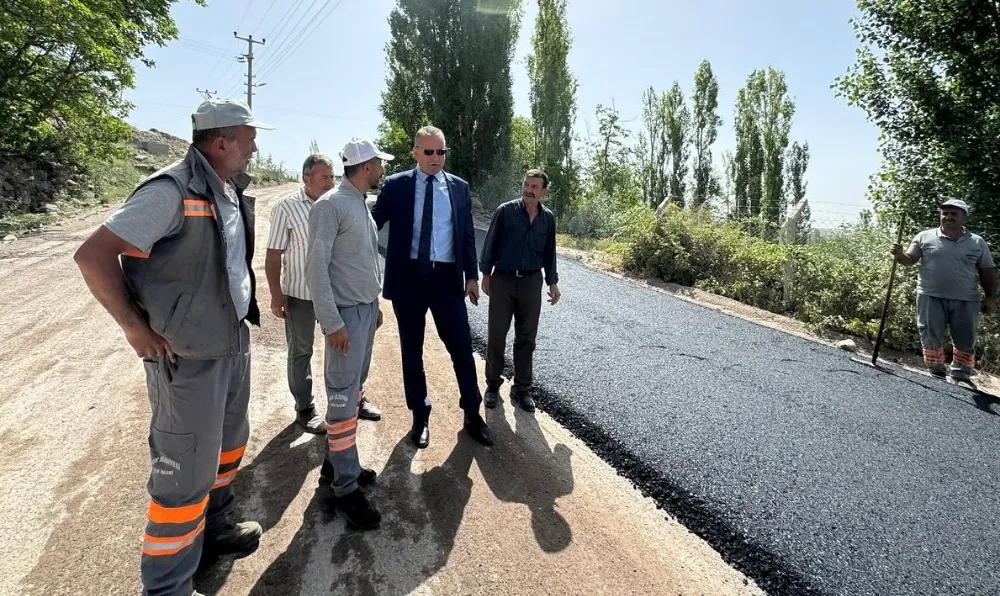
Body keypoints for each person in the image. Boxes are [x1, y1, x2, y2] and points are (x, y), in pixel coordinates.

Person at [73, 99, 271, 596]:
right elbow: (93, 256)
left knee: (227, 447)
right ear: (222, 142)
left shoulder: (224, 187)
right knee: (182, 472)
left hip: (229, 343)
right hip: (186, 357)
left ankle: (213, 533)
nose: (255, 145)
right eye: (249, 137)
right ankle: (167, 588)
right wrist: (135, 328)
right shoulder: (171, 191)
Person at [372, 125, 493, 449]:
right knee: (412, 351)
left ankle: (472, 413)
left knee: (462, 350)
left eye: (441, 152)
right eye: (429, 152)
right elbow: (370, 223)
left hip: (446, 280)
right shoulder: (397, 186)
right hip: (408, 279)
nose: (436, 158)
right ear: (415, 152)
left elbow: (467, 235)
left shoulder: (458, 188)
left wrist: (471, 276)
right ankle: (419, 417)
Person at [305, 138, 392, 530]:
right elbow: (316, 268)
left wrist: (373, 303)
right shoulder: (331, 206)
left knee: (353, 390)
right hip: (343, 319)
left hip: (363, 312)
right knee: (341, 403)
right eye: (379, 163)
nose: (382, 169)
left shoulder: (357, 202)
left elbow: (361, 259)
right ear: (366, 166)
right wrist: (332, 321)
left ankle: (336, 466)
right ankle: (345, 490)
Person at [265, 154, 382, 434]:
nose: (330, 181)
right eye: (324, 177)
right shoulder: (287, 208)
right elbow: (273, 254)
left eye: (332, 176)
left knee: (348, 354)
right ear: (306, 179)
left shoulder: (345, 203)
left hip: (337, 296)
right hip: (301, 295)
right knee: (301, 351)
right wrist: (275, 294)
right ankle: (305, 408)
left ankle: (353, 399)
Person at [480, 169, 561, 412]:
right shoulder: (505, 211)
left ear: (543, 191)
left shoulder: (548, 219)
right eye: (527, 184)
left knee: (526, 338)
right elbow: (490, 243)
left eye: (535, 186)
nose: (529, 189)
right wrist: (486, 274)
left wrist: (553, 282)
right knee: (496, 335)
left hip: (532, 282)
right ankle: (493, 384)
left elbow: (550, 253)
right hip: (503, 280)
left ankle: (521, 388)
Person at [890, 198, 997, 381]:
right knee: (930, 332)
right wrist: (900, 255)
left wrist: (991, 297)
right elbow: (909, 260)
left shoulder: (977, 242)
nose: (948, 217)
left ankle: (961, 372)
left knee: (965, 336)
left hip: (966, 299)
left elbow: (987, 271)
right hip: (930, 295)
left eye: (953, 214)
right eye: (944, 213)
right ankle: (936, 369)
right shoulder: (925, 236)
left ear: (964, 218)